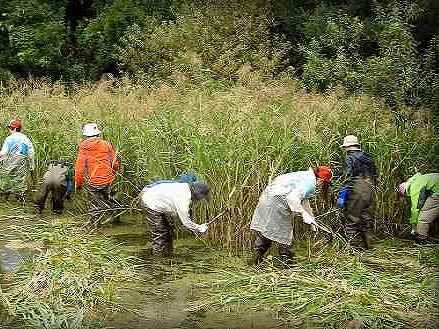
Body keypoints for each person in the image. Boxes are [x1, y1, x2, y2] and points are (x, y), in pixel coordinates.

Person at [250, 166, 333, 264]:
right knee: (284, 234)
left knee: (267, 229)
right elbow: (292, 198)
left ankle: (255, 260)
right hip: (277, 203)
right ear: (321, 180)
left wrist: (311, 219)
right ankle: (286, 263)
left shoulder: (305, 176)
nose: (323, 186)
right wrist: (303, 213)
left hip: (267, 198)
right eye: (325, 183)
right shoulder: (310, 184)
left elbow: (303, 200)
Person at [140, 180, 211, 256]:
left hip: (153, 197)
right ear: (197, 194)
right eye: (201, 197)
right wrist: (199, 228)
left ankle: (167, 253)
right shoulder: (183, 199)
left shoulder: (185, 186)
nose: (199, 200)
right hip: (150, 202)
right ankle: (158, 260)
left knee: (168, 232)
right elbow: (186, 222)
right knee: (160, 234)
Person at [75, 123, 120, 224]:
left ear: (85, 135)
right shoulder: (107, 144)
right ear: (98, 134)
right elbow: (115, 163)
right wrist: (113, 173)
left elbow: (79, 169)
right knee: (113, 201)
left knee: (95, 206)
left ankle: (95, 227)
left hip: (93, 182)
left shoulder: (83, 147)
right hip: (108, 180)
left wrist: (78, 184)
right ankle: (116, 221)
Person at [340, 135, 377, 249]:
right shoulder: (368, 157)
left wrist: (343, 194)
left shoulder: (349, 158)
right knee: (366, 217)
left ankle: (352, 248)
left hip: (357, 189)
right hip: (370, 188)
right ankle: (369, 245)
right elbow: (376, 175)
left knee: (352, 217)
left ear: (347, 146)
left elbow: (347, 177)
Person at [398, 173, 439, 244]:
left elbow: (415, 210)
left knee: (424, 215)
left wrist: (414, 227)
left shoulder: (413, 188)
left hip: (437, 191)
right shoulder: (416, 180)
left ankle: (421, 238)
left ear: (405, 192)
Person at [0, 119, 35, 201]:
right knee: (20, 179)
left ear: (15, 129)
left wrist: (1, 161)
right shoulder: (26, 139)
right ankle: (21, 199)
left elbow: (3, 153)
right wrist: (31, 165)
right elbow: (31, 153)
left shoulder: (9, 138)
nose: (10, 130)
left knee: (6, 178)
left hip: (10, 160)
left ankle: (5, 198)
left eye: (11, 128)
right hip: (22, 161)